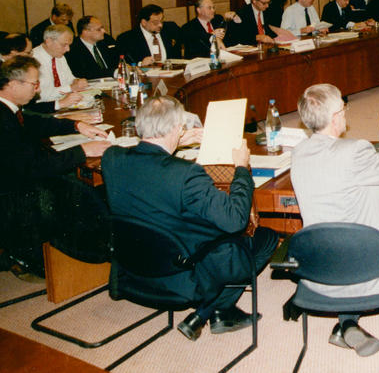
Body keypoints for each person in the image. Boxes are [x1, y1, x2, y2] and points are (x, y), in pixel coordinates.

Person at [102, 96, 277, 341]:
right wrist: (241, 168)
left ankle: (208, 313)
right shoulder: (186, 174)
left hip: (136, 264)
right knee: (267, 237)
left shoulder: (112, 159)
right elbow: (235, 219)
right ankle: (218, 309)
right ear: (176, 128)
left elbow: (149, 155)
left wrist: (174, 139)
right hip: (183, 273)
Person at [290, 84, 379, 357]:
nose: (345, 115)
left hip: (320, 264)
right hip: (368, 263)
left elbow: (346, 173)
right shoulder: (355, 149)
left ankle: (347, 324)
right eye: (344, 109)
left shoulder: (299, 153)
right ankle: (347, 323)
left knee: (346, 227)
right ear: (335, 118)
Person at [0, 55, 109, 276]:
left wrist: (77, 125)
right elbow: (30, 167)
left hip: (19, 179)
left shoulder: (9, 108)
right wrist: (83, 151)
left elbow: (35, 121)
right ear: (12, 85)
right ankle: (90, 259)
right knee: (84, 194)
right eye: (33, 83)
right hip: (13, 194)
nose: (38, 88)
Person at [32, 24, 88, 106]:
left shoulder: (59, 56)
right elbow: (39, 96)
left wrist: (77, 81)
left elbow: (70, 79)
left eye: (69, 45)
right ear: (49, 41)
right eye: (64, 45)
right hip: (43, 109)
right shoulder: (33, 59)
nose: (68, 49)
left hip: (64, 104)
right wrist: (70, 88)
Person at [66, 15, 118, 79]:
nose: (104, 31)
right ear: (86, 32)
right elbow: (84, 73)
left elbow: (116, 61)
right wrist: (113, 72)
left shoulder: (107, 40)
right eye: (99, 29)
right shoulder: (72, 48)